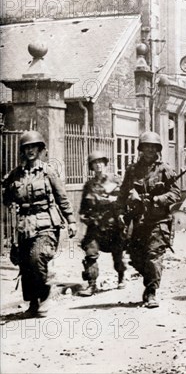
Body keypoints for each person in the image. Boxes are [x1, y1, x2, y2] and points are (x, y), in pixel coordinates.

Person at [1, 131, 77, 317]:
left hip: (46, 223)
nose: (30, 151)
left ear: (40, 149)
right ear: (22, 151)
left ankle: (44, 295)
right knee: (25, 265)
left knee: (37, 258)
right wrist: (6, 188)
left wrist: (71, 221)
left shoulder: (48, 172)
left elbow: (62, 198)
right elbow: (7, 199)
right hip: (25, 225)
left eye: (33, 147)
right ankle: (33, 304)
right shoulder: (16, 174)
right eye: (26, 147)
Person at [118, 131, 181, 308]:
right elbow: (123, 193)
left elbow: (175, 193)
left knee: (154, 254)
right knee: (137, 257)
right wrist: (121, 212)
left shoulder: (164, 169)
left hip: (158, 220)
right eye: (146, 147)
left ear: (158, 149)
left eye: (153, 147)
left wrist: (157, 199)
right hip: (138, 221)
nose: (150, 150)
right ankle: (149, 280)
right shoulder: (132, 170)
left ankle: (151, 291)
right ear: (141, 149)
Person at [78, 151, 126, 296]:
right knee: (90, 254)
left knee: (118, 254)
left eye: (100, 162)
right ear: (91, 166)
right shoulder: (89, 185)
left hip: (113, 225)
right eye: (94, 163)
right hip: (95, 225)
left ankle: (121, 277)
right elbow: (83, 208)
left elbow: (125, 201)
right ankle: (92, 285)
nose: (98, 165)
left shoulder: (116, 181)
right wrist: (83, 217)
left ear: (105, 164)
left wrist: (113, 201)